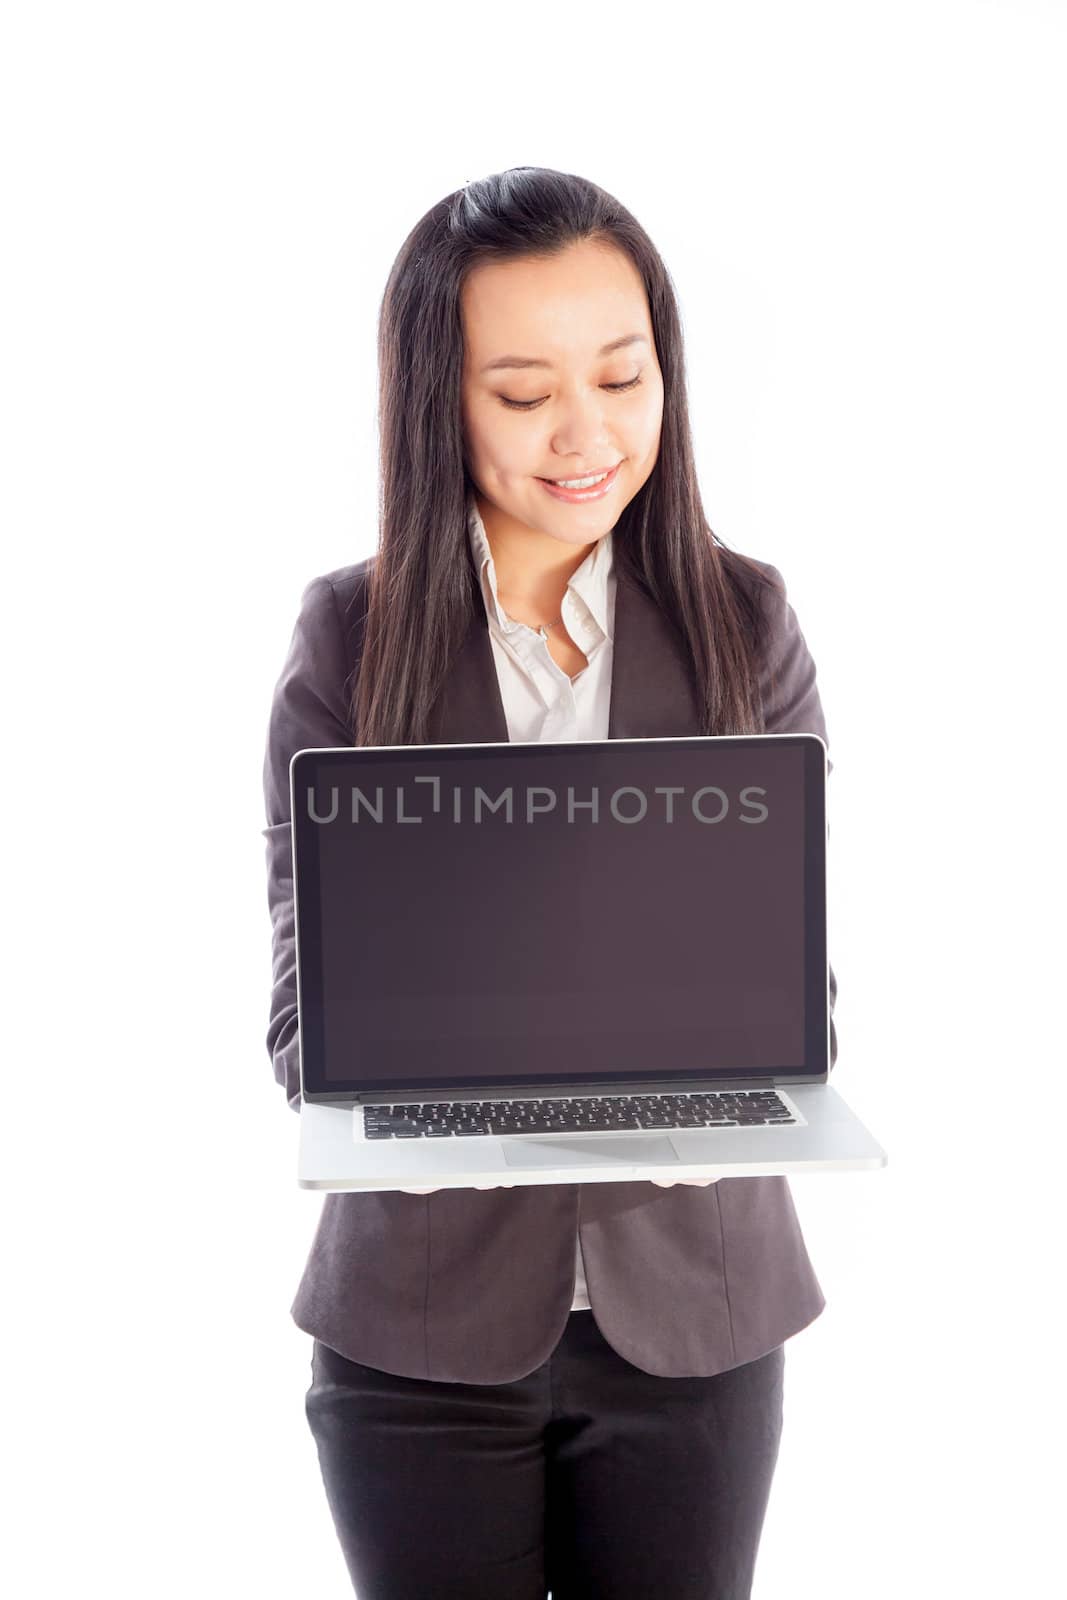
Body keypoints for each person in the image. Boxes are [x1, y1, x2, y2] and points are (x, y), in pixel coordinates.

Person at [261, 165, 838, 1600]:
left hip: (695, 1321)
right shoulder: (353, 636)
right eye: (523, 394)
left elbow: (793, 985)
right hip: (419, 1332)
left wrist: (724, 1085)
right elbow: (300, 1022)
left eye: (622, 376)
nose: (587, 434)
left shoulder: (742, 620)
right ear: (435, 401)